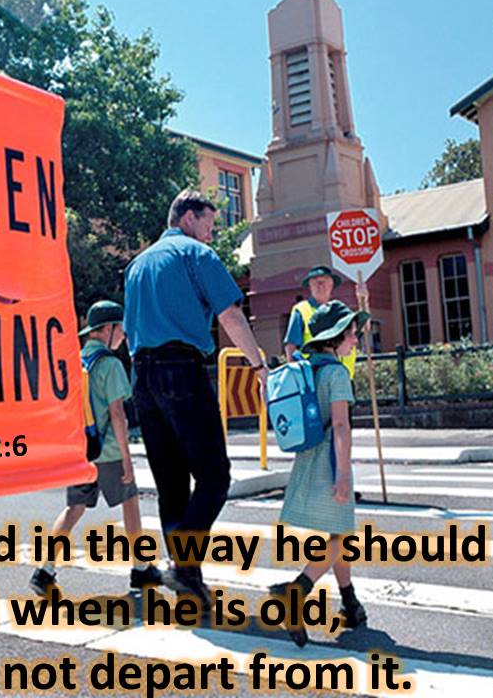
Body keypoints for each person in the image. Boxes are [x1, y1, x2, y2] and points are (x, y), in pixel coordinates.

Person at [123, 189, 267, 610]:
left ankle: (189, 578)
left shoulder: (136, 265)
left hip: (142, 375)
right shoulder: (196, 254)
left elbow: (130, 330)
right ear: (188, 217)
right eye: (208, 222)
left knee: (170, 482)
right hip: (180, 369)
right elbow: (230, 315)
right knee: (214, 475)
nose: (211, 232)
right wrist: (258, 365)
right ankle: (185, 564)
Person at [29, 300, 162, 596]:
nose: (124, 335)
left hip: (82, 451)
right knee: (130, 502)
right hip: (110, 451)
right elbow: (118, 414)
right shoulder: (110, 365)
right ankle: (141, 568)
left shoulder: (75, 361)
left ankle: (44, 571)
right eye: (121, 329)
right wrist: (127, 459)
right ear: (107, 329)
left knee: (74, 508)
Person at [270, 300, 370, 647]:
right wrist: (343, 474)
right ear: (336, 336)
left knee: (337, 531)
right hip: (330, 460)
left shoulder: (309, 369)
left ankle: (350, 603)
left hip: (308, 459)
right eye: (352, 334)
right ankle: (296, 591)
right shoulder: (337, 373)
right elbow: (340, 425)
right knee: (342, 537)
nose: (355, 340)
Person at [284, 265, 367, 378]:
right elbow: (291, 347)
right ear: (309, 285)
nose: (320, 285)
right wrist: (297, 379)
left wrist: (363, 300)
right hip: (316, 378)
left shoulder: (339, 310)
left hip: (345, 377)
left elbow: (365, 327)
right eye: (316, 281)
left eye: (325, 280)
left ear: (332, 284)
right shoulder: (301, 310)